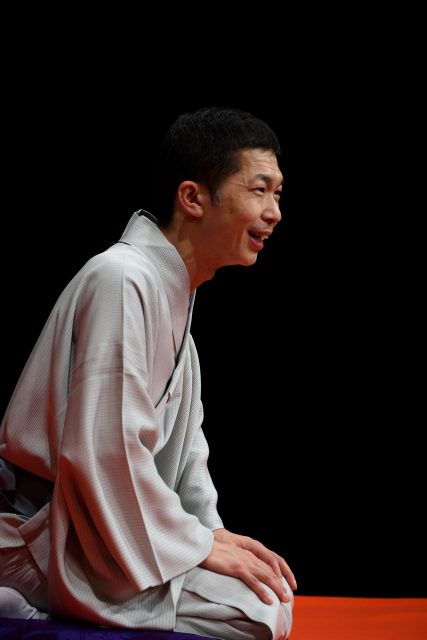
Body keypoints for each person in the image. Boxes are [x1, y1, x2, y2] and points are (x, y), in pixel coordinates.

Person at [0, 107, 296, 639]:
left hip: (101, 534)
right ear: (193, 198)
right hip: (41, 537)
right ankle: (26, 598)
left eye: (277, 194)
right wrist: (197, 546)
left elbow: (188, 457)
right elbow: (106, 452)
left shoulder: (174, 303)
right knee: (253, 614)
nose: (273, 212)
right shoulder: (121, 279)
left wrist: (212, 535)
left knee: (266, 593)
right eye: (259, 190)